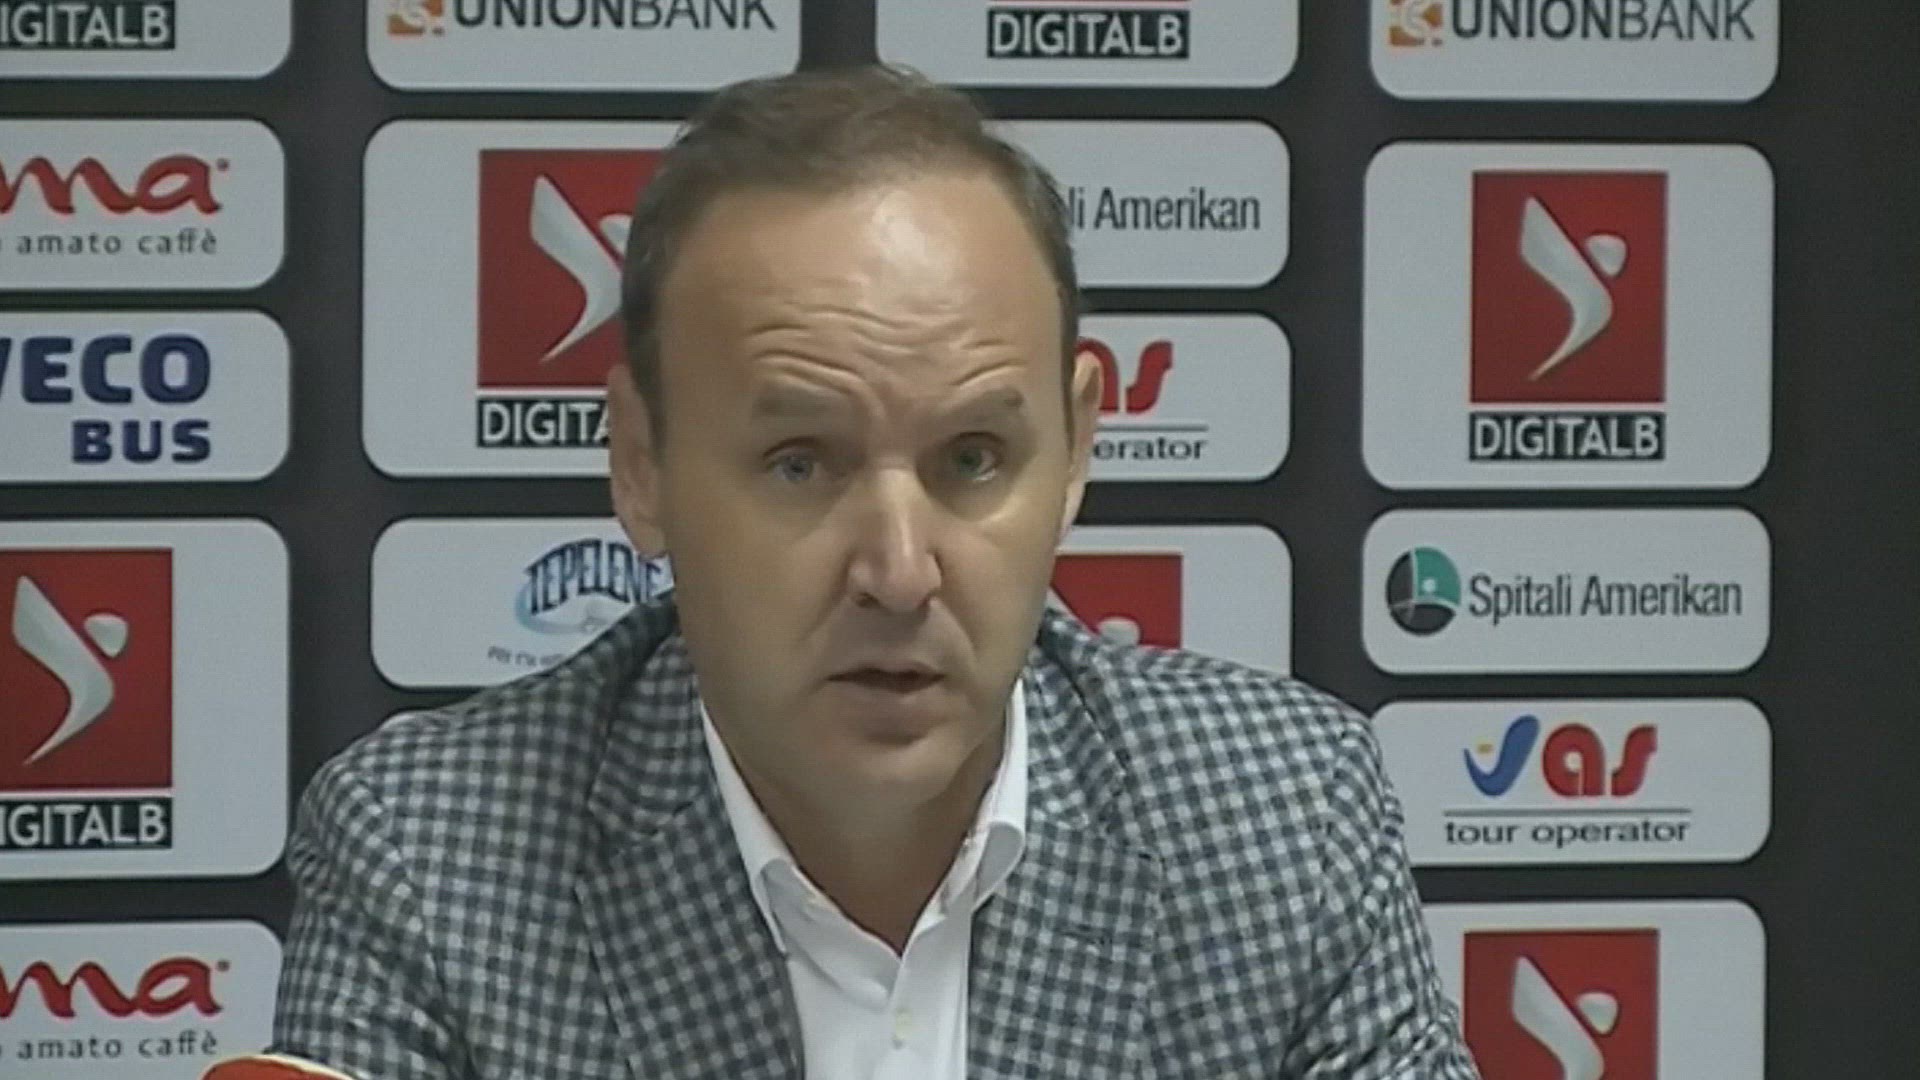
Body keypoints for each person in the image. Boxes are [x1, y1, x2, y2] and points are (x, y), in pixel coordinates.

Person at [270, 64, 1479, 1080]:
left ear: (1075, 451)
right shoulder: (426, 859)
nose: (900, 574)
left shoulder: (1286, 822)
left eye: (973, 458)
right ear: (641, 465)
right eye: (800, 463)